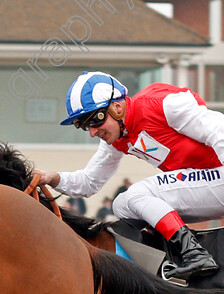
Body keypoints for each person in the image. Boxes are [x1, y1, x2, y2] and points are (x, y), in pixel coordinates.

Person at [35, 71, 224, 280]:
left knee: (137, 194)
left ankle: (194, 254)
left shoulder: (162, 104)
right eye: (84, 125)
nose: (92, 132)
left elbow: (220, 131)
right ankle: (173, 259)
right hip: (210, 184)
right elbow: (88, 182)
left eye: (95, 120)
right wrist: (51, 177)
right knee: (122, 205)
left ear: (117, 107)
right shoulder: (117, 137)